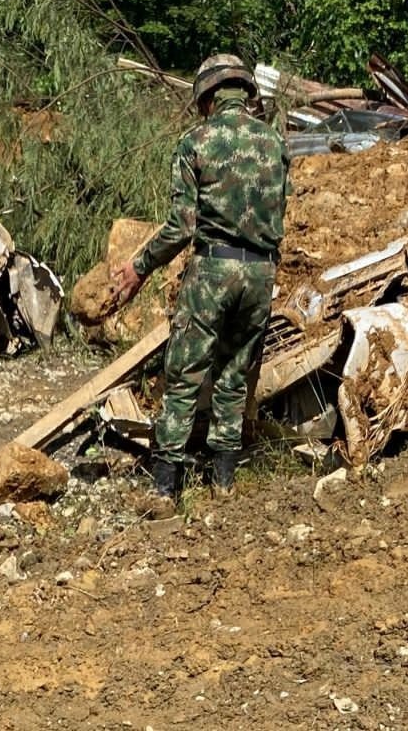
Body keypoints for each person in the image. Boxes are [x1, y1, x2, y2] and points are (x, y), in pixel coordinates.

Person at [110, 54, 289, 513]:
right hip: (261, 273)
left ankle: (166, 486)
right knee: (234, 376)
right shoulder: (275, 143)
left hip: (213, 271)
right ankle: (224, 481)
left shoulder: (196, 142)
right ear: (244, 92)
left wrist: (139, 267)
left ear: (207, 98)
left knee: (185, 375)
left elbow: (182, 226)